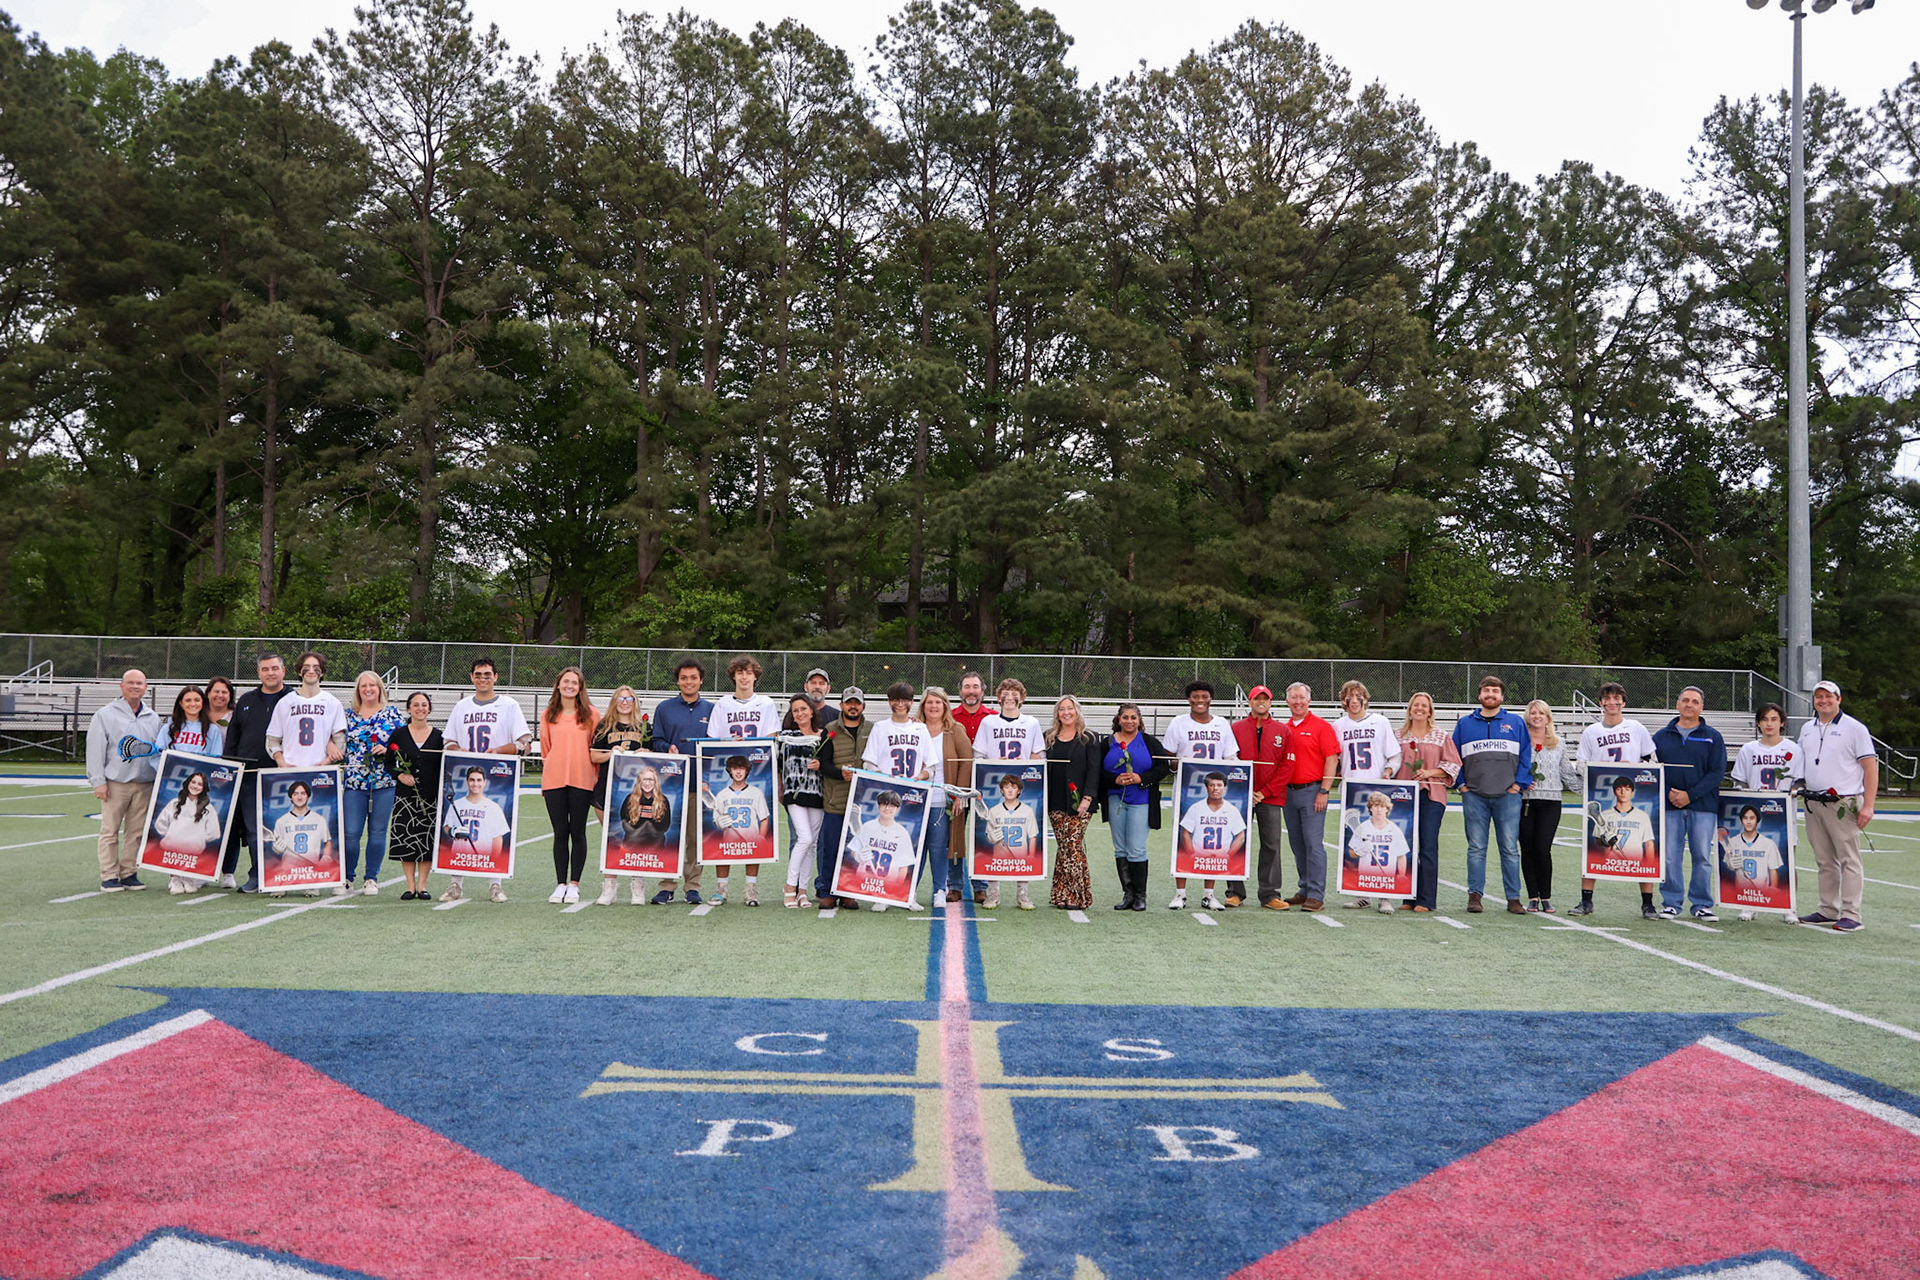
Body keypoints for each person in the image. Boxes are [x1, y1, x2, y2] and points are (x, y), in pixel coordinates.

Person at [440, 657, 530, 904]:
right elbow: (448, 741)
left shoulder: (509, 705)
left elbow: (525, 743)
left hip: (498, 776)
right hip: (466, 775)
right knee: (460, 826)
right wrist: (458, 748)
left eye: (487, 674)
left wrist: (500, 751)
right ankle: (455, 884)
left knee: (493, 830)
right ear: (471, 677)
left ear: (496, 677)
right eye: (478, 674)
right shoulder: (462, 706)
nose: (483, 678)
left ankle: (495, 884)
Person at [1568, 681, 1659, 918]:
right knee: (1593, 846)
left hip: (1631, 792)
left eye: (1617, 698)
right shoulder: (1591, 732)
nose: (1612, 702)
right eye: (1607, 698)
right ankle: (1586, 900)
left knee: (1643, 843)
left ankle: (1648, 903)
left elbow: (1651, 759)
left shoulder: (1636, 727)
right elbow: (1581, 764)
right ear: (1600, 703)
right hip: (1602, 794)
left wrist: (1638, 769)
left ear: (1624, 702)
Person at [1796, 680, 1877, 932]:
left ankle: (1852, 913)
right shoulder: (1807, 728)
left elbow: (1870, 767)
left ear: (1839, 699)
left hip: (1843, 801)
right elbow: (1800, 763)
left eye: (1829, 696)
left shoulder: (1855, 728)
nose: (1823, 700)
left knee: (1848, 859)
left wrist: (1869, 806)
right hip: (1813, 802)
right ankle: (1827, 909)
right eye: (1819, 696)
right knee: (1824, 859)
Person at [1450, 675, 1532, 915]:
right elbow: (1454, 757)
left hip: (1508, 796)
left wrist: (1518, 785)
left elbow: (1526, 756)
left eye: (1495, 691)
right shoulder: (1465, 724)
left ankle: (1513, 898)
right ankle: (1474, 896)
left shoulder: (1515, 723)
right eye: (1486, 691)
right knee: (1476, 848)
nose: (1490, 695)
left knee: (1509, 848)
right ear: (1479, 695)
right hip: (1474, 795)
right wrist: (1462, 785)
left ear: (1502, 696)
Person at [1162, 680, 1240, 911]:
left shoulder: (1222, 724)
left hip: (1214, 790)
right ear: (1189, 699)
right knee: (1184, 839)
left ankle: (1209, 894)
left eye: (1204, 696)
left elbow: (1230, 757)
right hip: (1187, 790)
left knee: (1213, 840)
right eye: (1195, 696)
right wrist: (1180, 766)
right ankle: (1180, 893)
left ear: (1210, 699)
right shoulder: (1178, 723)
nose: (1199, 701)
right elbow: (1168, 755)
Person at [85, 668, 163, 893]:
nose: (135, 687)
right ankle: (109, 875)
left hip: (144, 783)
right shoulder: (105, 714)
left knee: (136, 831)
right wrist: (98, 781)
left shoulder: (153, 717)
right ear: (121, 686)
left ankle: (129, 872)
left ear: (146, 687)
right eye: (130, 683)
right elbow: (95, 750)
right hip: (115, 783)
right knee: (110, 830)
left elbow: (156, 751)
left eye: (139, 683)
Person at [1653, 686, 1726, 922]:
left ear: (1701, 707)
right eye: (1685, 700)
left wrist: (1690, 795)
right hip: (1670, 806)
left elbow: (1716, 773)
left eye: (1695, 701)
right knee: (1670, 857)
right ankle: (1671, 903)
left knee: (1702, 856)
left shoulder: (1712, 736)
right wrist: (1670, 795)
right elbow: (1652, 771)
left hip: (1702, 807)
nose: (1689, 704)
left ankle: (1702, 904)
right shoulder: (1661, 737)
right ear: (1677, 704)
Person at [860, 682, 935, 911]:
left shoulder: (920, 729)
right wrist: (886, 779)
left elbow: (930, 767)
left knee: (910, 847)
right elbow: (869, 763)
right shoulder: (881, 728)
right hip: (888, 795)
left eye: (905, 700)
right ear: (889, 701)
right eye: (896, 699)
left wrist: (917, 778)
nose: (900, 704)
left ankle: (907, 894)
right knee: (884, 846)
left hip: (913, 797)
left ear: (912, 703)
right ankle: (882, 894)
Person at [972, 679, 1045, 907]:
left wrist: (1024, 764)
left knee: (1022, 839)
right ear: (999, 697)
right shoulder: (988, 722)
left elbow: (1039, 755)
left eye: (1015, 693)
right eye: (1005, 693)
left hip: (1020, 786)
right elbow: (978, 757)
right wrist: (996, 763)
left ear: (1022, 698)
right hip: (996, 786)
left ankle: (1022, 893)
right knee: (995, 838)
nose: (1010, 697)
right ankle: (994, 892)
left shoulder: (1031, 722)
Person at [224, 654, 292, 893]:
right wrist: (230, 768)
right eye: (265, 669)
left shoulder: (295, 699)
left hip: (285, 776)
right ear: (259, 673)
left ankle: (290, 875)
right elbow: (233, 739)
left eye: (275, 668)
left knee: (287, 827)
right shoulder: (246, 700)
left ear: (283, 671)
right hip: (250, 774)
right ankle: (258, 874)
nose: (270, 673)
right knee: (255, 830)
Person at [1332, 681, 1403, 911]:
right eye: (1349, 696)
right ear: (1343, 701)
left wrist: (1389, 772)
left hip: (1376, 791)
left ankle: (1385, 896)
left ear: (1366, 698)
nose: (1354, 700)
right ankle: (1360, 894)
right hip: (1351, 792)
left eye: (1358, 696)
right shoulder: (1337, 726)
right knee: (1356, 845)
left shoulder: (1380, 722)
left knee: (1383, 843)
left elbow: (1394, 755)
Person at [649, 660, 714, 905]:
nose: (689, 681)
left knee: (695, 838)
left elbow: (718, 744)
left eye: (693, 677)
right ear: (678, 681)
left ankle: (693, 886)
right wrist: (668, 747)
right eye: (684, 677)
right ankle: (666, 886)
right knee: (669, 835)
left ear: (701, 680)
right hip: (671, 786)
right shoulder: (664, 709)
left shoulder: (711, 708)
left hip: (700, 784)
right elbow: (656, 741)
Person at [149, 686, 224, 895]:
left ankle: (190, 874)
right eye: (188, 700)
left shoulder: (212, 730)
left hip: (197, 787)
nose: (193, 704)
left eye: (197, 700)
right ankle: (174, 877)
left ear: (203, 703)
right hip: (174, 787)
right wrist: (167, 775)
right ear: (181, 703)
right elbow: (157, 757)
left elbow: (215, 760)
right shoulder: (169, 728)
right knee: (175, 830)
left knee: (193, 832)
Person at [1099, 704, 1171, 911]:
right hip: (1116, 800)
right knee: (1120, 847)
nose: (1129, 721)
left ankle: (1141, 895)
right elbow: (1098, 771)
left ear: (1139, 720)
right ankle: (1128, 894)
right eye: (1125, 717)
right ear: (1118, 720)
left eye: (1133, 717)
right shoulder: (1107, 742)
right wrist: (1115, 780)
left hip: (1141, 800)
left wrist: (1142, 778)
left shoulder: (1149, 742)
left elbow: (1162, 768)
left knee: (1137, 848)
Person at [540, 666, 601, 905]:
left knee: (578, 832)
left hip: (582, 780)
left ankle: (574, 884)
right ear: (558, 685)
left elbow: (595, 748)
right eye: (566, 682)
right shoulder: (548, 715)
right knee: (559, 833)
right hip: (554, 780)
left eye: (574, 683)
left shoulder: (592, 714)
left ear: (580, 687)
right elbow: (546, 749)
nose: (569, 686)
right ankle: (560, 884)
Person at [341, 671, 404, 897]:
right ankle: (347, 877)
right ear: (358, 690)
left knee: (377, 831)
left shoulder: (392, 714)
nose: (368, 689)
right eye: (363, 686)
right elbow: (336, 742)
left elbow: (403, 745)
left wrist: (388, 751)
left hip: (384, 781)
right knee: (351, 833)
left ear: (380, 689)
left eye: (372, 685)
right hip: (354, 781)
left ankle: (371, 878)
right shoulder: (347, 715)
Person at [1394, 692, 1458, 913]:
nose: (1419, 708)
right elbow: (1391, 762)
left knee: (1428, 846)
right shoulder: (1398, 735)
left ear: (1430, 711)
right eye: (1415, 705)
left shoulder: (1441, 736)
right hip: (1403, 796)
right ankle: (1407, 896)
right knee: (1405, 847)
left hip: (1431, 796)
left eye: (1424, 706)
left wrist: (1429, 772)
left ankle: (1426, 899)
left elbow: (1453, 765)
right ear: (1410, 709)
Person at [1280, 683, 1340, 912]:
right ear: (1287, 701)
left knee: (1314, 844)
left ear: (1309, 700)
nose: (1297, 701)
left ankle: (1316, 894)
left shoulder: (1321, 726)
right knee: (1298, 845)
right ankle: (1304, 888)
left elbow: (1332, 759)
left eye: (1301, 697)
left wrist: (1325, 790)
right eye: (1293, 697)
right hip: (1288, 793)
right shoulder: (1284, 728)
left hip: (1312, 791)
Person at [812, 687, 873, 909]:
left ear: (863, 706)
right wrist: (841, 774)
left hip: (863, 802)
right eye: (849, 702)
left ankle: (847, 891)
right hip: (836, 799)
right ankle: (828, 891)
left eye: (857, 702)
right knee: (831, 847)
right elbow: (823, 764)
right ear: (842, 705)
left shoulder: (873, 730)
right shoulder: (830, 730)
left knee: (854, 848)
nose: (853, 706)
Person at [1231, 686, 1292, 909]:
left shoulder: (1283, 730)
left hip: (1271, 797)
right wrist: (1245, 789)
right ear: (1250, 702)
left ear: (1271, 703)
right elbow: (1231, 759)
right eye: (1257, 698)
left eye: (1265, 699)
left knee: (1272, 844)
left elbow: (1287, 766)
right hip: (1241, 796)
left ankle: (1269, 894)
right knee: (1236, 841)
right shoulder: (1236, 728)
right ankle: (1235, 891)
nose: (1261, 702)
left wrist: (1264, 792)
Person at [918, 686, 973, 908]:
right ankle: (907, 891)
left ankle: (940, 889)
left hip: (942, 800)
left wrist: (959, 795)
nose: (933, 706)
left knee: (939, 848)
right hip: (915, 800)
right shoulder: (914, 728)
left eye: (938, 702)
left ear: (945, 706)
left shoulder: (955, 730)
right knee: (913, 848)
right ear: (923, 705)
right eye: (929, 702)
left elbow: (966, 762)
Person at [1044, 695, 1100, 910]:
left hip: (1080, 802)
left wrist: (1088, 797)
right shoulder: (1049, 737)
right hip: (1055, 800)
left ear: (1077, 711)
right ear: (1057, 714)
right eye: (1061, 709)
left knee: (1073, 846)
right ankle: (1060, 894)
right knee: (1063, 846)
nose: (1066, 712)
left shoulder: (1089, 739)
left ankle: (1079, 896)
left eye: (1070, 708)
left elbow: (1094, 771)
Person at [386, 692, 443, 900]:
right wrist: (400, 775)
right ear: (409, 709)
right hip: (405, 797)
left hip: (430, 797)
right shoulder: (399, 735)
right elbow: (388, 763)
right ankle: (410, 886)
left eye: (424, 705)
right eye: (416, 705)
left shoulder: (439, 737)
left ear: (429, 709)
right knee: (407, 841)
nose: (420, 708)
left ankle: (423, 885)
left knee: (426, 841)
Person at [1520, 700, 1571, 914]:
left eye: (1541, 713)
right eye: (1533, 713)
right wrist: (1523, 780)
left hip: (1551, 802)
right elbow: (1513, 767)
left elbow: (1567, 772)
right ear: (1528, 717)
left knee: (1543, 848)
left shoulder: (1558, 743)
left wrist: (1590, 787)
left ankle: (1546, 896)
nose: (1537, 716)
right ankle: (1532, 897)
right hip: (1525, 802)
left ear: (1548, 717)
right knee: (1527, 849)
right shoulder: (1521, 741)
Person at [778, 694, 826, 908]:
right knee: (804, 838)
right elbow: (778, 765)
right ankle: (790, 886)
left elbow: (829, 762)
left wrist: (820, 765)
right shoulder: (785, 735)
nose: (800, 713)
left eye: (803, 709)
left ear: (812, 711)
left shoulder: (822, 735)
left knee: (812, 844)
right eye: (796, 710)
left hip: (817, 793)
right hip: (794, 793)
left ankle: (802, 891)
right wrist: (779, 789)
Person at [1177, 772, 1246, 911]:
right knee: (1181, 855)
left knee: (1213, 857)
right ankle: (1180, 894)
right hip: (1196, 851)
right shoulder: (1196, 808)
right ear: (1206, 787)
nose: (1216, 788)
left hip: (1217, 854)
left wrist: (1228, 854)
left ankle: (1208, 896)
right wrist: (1191, 853)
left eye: (1219, 785)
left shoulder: (1231, 810)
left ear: (1225, 788)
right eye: (1212, 785)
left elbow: (1241, 836)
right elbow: (1186, 833)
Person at [267, 651, 347, 770]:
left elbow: (340, 739)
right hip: (290, 768)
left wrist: (327, 762)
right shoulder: (285, 703)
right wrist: (281, 762)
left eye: (316, 668)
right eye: (306, 667)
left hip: (320, 770)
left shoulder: (332, 703)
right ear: (299, 671)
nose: (311, 671)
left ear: (322, 672)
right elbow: (272, 739)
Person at [153, 770, 223, 889]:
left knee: (190, 887)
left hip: (194, 850)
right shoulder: (175, 803)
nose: (195, 786)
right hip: (172, 847)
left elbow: (214, 832)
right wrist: (172, 835)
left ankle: (188, 877)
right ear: (187, 783)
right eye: (193, 782)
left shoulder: (208, 808)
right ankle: (174, 879)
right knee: (175, 870)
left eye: (200, 784)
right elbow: (161, 823)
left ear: (204, 787)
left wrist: (197, 839)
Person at [1343, 790, 1408, 914]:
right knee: (1365, 882)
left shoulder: (1394, 829)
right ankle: (1363, 898)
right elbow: (1351, 852)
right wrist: (1359, 851)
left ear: (1387, 809)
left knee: (1386, 888)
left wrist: (1401, 874)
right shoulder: (1363, 827)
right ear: (1370, 808)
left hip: (1387, 872)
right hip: (1366, 872)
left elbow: (1401, 854)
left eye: (1382, 806)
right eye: (1376, 806)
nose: (1379, 809)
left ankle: (1385, 901)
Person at [1721, 803, 1787, 917]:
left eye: (1752, 818)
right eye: (1745, 818)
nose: (1748, 821)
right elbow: (1728, 867)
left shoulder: (1768, 844)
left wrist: (1773, 888)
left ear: (1757, 820)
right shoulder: (1733, 842)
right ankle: (1748, 908)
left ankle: (1754, 908)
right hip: (1742, 892)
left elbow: (1773, 869)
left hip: (1762, 891)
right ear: (1741, 820)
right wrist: (1731, 865)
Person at [269, 780, 335, 886]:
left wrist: (326, 857)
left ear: (308, 796)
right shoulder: (282, 821)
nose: (299, 797)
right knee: (279, 890)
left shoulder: (319, 819)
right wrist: (275, 849)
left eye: (303, 793)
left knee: (312, 890)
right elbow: (276, 846)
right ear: (291, 797)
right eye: (295, 794)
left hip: (311, 870)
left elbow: (327, 841)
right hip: (288, 870)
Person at [443, 765, 511, 865]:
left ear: (484, 782)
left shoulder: (493, 807)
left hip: (483, 856)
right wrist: (452, 831)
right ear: (467, 781)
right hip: (460, 857)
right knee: (456, 880)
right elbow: (447, 826)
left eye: (479, 780)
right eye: (472, 780)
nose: (475, 784)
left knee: (494, 880)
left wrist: (494, 860)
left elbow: (497, 837)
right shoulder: (456, 804)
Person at [1732, 703, 1801, 792]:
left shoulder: (1794, 749)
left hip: (1784, 804)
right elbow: (1740, 781)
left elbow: (1799, 781)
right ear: (1759, 723)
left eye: (1774, 719)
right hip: (1754, 803)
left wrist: (1793, 791)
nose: (1769, 724)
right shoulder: (1748, 749)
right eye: (1764, 719)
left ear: (1782, 722)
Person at [952, 671, 992, 742]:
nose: (971, 691)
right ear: (960, 691)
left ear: (982, 691)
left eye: (975, 687)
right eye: (967, 687)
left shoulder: (994, 717)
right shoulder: (949, 717)